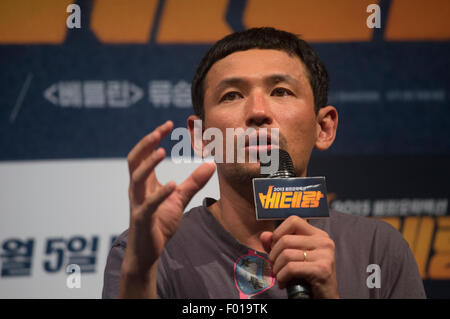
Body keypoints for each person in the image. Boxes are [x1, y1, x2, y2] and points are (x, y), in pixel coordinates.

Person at [102, 27, 426, 299]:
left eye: (281, 91)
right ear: (201, 137)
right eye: (231, 95)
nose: (258, 111)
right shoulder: (143, 253)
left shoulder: (378, 249)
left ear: (323, 127)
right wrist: (141, 268)